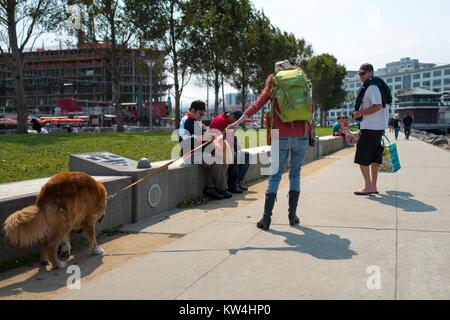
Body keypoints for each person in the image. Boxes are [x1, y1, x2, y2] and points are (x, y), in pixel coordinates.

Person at [227, 60, 313, 230]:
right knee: (295, 174)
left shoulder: (274, 83)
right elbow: (312, 108)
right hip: (302, 134)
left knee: (275, 175)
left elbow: (256, 105)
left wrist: (237, 122)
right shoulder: (303, 81)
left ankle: (266, 219)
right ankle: (292, 216)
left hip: (279, 135)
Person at [178, 100, 232, 201]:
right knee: (216, 161)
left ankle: (216, 187)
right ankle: (216, 188)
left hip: (202, 152)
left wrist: (212, 136)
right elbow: (183, 141)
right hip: (190, 154)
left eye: (203, 114)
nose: (202, 116)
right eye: (200, 114)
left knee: (226, 157)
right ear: (193, 110)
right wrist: (202, 137)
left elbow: (205, 135)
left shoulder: (198, 121)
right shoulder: (185, 121)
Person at [352, 63, 390, 196]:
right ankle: (373, 186)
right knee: (374, 158)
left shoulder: (372, 86)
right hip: (377, 128)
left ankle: (368, 186)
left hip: (370, 128)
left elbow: (378, 106)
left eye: (362, 73)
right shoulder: (377, 85)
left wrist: (359, 113)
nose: (360, 76)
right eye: (359, 73)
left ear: (370, 73)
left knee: (362, 158)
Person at [210, 109, 250, 194]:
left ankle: (237, 182)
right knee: (233, 156)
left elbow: (230, 139)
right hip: (214, 147)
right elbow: (215, 140)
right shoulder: (220, 121)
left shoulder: (231, 122)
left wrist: (235, 148)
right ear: (231, 116)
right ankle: (232, 185)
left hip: (226, 145)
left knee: (246, 156)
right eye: (236, 121)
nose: (236, 124)